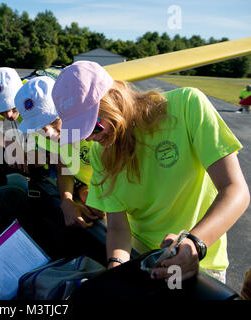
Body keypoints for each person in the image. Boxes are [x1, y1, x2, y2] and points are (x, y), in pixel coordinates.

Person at [52, 60, 250, 283]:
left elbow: (235, 190)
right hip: (141, 261)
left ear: (115, 96)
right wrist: (116, 271)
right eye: (83, 133)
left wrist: (194, 243)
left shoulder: (187, 106)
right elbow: (118, 227)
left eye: (94, 126)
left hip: (199, 264)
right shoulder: (101, 153)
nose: (91, 138)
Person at [14, 76, 104, 228]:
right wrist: (67, 200)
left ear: (66, 108)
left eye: (53, 120)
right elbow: (64, 166)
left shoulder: (97, 131)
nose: (49, 133)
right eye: (40, 126)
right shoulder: (29, 106)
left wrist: (99, 196)